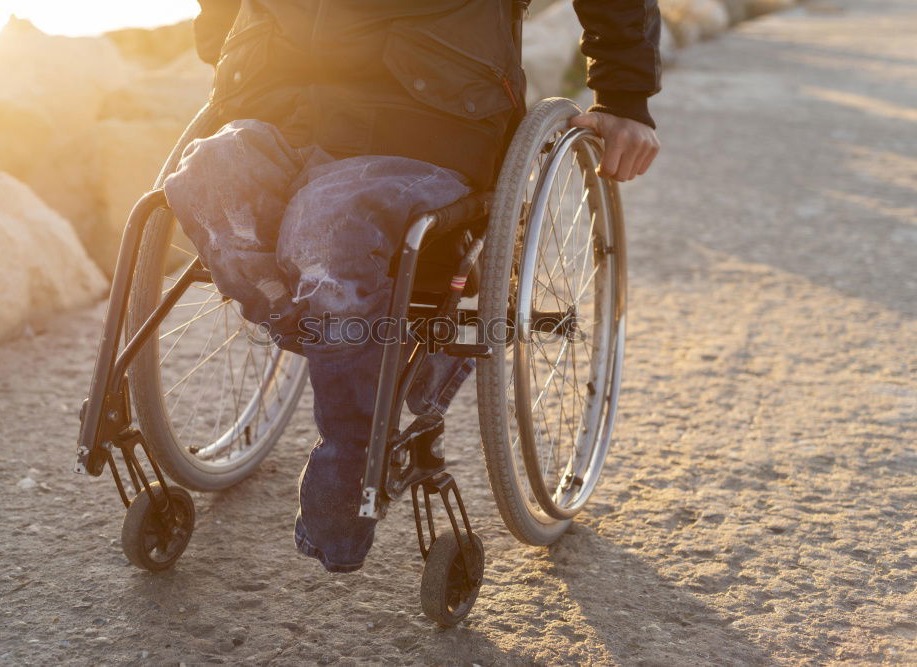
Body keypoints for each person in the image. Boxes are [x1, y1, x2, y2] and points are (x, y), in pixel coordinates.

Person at [165, 0, 661, 573]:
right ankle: (358, 343)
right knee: (205, 176)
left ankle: (349, 457)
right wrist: (227, 37)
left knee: (330, 224)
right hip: (279, 100)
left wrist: (624, 95)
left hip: (426, 119)